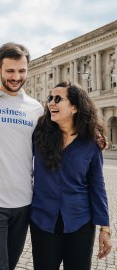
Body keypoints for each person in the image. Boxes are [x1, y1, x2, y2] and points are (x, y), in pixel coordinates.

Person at [0, 42, 44, 270]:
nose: (16, 77)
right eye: (10, 71)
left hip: (24, 202)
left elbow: (54, 142)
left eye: (22, 70)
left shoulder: (36, 108)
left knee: (10, 265)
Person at [30, 82, 112, 270]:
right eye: (50, 98)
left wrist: (105, 229)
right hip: (43, 222)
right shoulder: (38, 134)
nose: (51, 103)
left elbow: (97, 186)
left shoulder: (91, 143)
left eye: (58, 99)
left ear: (75, 107)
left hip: (80, 223)